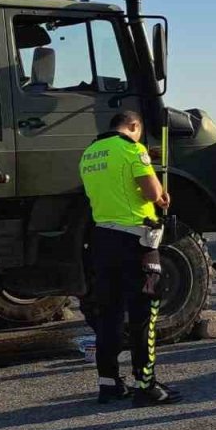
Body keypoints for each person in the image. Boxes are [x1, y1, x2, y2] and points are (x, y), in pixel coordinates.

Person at [78, 110, 180, 406]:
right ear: (134, 126)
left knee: (108, 313)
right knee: (143, 313)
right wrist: (161, 196)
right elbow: (151, 192)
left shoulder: (89, 153)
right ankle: (145, 385)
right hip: (135, 240)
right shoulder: (132, 149)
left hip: (101, 239)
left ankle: (109, 383)